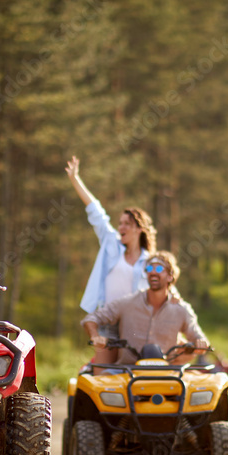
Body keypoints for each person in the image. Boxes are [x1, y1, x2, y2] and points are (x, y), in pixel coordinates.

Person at [66, 155, 162, 363]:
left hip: (135, 323)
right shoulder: (111, 244)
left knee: (134, 371)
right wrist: (76, 179)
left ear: (139, 228)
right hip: (107, 319)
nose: (121, 228)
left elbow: (164, 288)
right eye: (120, 223)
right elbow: (96, 211)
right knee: (105, 371)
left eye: (126, 224)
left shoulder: (150, 261)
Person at [81, 251, 208, 368]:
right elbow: (91, 318)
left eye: (159, 268)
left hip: (167, 374)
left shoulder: (181, 310)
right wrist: (95, 336)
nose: (152, 272)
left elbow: (198, 337)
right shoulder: (127, 303)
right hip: (127, 372)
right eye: (149, 268)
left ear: (170, 276)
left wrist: (201, 344)